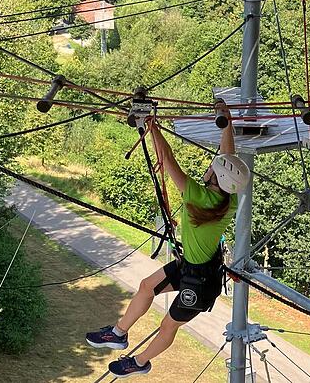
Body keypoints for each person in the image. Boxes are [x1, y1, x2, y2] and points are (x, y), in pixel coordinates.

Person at [86, 102, 250, 378]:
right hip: (193, 267)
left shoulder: (198, 196)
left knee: (168, 325)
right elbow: (228, 155)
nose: (209, 168)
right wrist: (227, 121)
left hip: (200, 285)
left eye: (212, 168)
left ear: (216, 177)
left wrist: (154, 129)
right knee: (146, 286)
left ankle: (139, 362)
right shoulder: (227, 197)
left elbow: (168, 161)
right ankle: (118, 333)